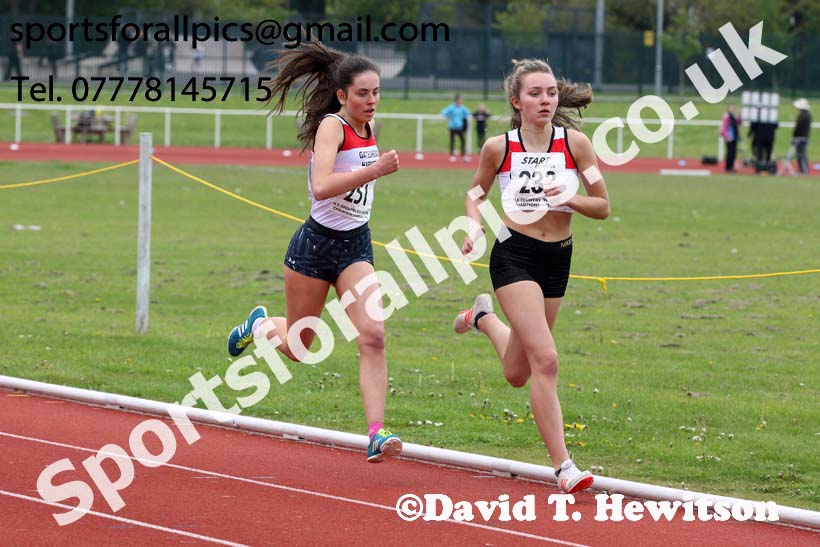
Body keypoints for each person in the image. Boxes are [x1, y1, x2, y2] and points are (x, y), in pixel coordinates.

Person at [225, 42, 402, 464]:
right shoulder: (332, 127)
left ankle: (376, 434)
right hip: (315, 247)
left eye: (376, 92)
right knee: (299, 349)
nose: (372, 101)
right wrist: (375, 170)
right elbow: (321, 186)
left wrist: (369, 170)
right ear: (342, 95)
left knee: (374, 336)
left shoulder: (368, 128)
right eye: (363, 93)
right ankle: (262, 323)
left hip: (356, 245)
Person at [454, 58, 610, 493]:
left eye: (551, 93)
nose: (545, 100)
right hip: (514, 256)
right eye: (535, 93)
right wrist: (473, 223)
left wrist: (573, 198)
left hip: (558, 257)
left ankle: (482, 319)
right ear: (516, 101)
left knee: (518, 372)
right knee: (548, 359)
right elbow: (475, 192)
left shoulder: (576, 145)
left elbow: (603, 206)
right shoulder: (498, 148)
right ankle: (565, 467)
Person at [441, 94, 471, 162]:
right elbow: (443, 112)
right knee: (452, 141)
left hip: (460, 127)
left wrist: (466, 119)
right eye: (459, 101)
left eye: (461, 101)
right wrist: (447, 117)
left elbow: (468, 113)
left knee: (463, 141)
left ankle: (463, 155)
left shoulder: (463, 108)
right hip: (452, 127)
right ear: (456, 101)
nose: (460, 102)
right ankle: (452, 155)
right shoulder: (451, 107)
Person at [792, 98, 811, 174]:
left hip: (801, 137)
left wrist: (795, 136)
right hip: (803, 137)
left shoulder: (803, 115)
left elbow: (798, 127)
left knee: (801, 154)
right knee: (801, 154)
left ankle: (803, 170)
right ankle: (802, 169)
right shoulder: (807, 114)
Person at [720, 104, 741, 173]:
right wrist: (726, 136)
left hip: (734, 137)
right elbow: (723, 127)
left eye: (733, 108)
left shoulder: (733, 116)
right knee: (730, 153)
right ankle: (728, 168)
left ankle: (731, 167)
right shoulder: (726, 116)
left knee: (733, 153)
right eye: (731, 108)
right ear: (728, 109)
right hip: (729, 137)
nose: (733, 109)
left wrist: (739, 115)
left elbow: (739, 123)